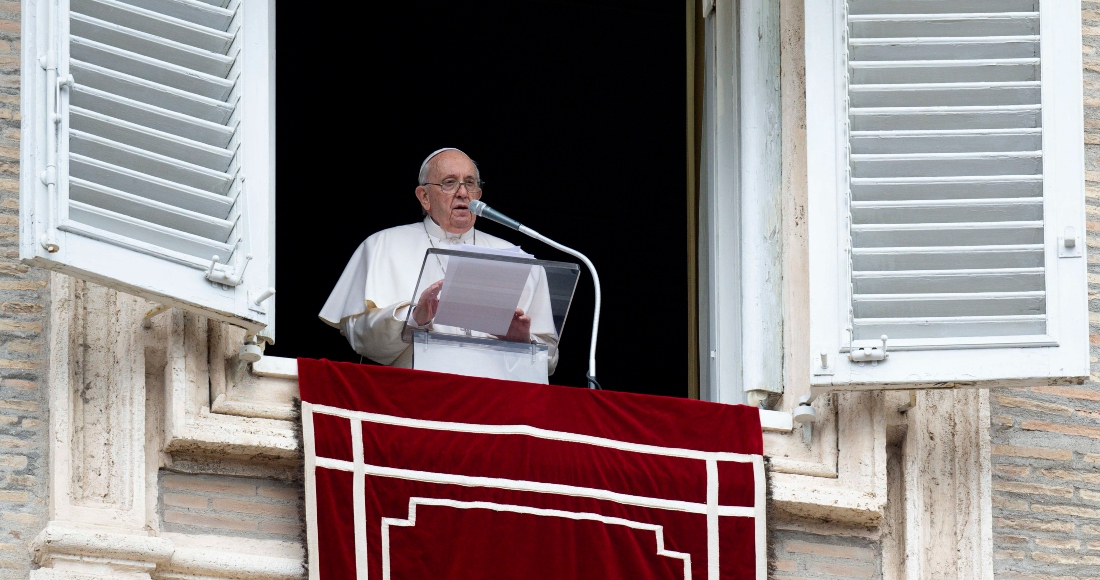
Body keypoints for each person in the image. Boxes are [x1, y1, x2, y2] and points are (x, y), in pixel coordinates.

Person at [318, 148, 559, 371]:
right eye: (449, 183)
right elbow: (359, 336)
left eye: (470, 183)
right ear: (424, 196)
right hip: (417, 398)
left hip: (497, 399)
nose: (463, 193)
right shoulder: (382, 245)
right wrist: (413, 318)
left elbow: (550, 360)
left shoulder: (515, 257)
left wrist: (523, 341)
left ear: (479, 194)